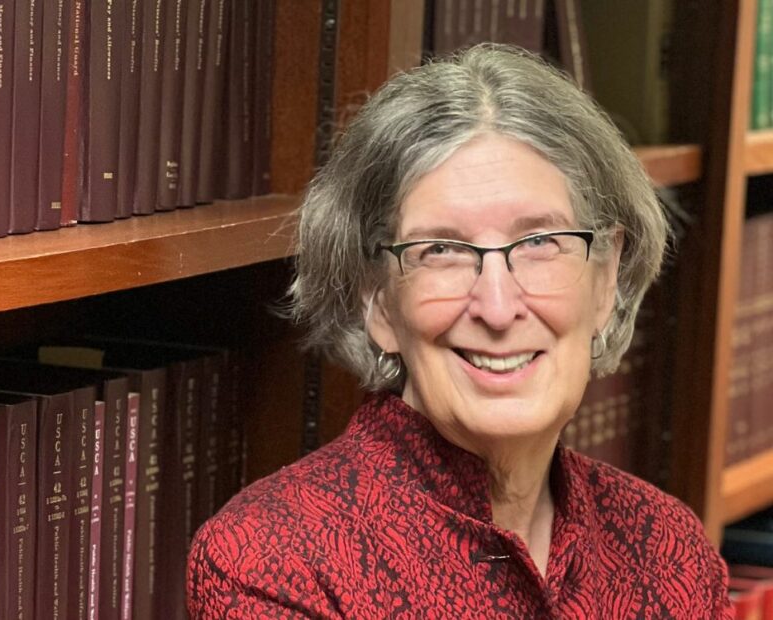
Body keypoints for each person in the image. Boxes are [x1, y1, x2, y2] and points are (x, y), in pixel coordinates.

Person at [187, 45, 732, 618]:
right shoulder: (270, 565)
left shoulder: (670, 551)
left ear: (605, 281)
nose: (497, 308)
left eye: (540, 243)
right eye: (442, 250)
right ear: (377, 299)